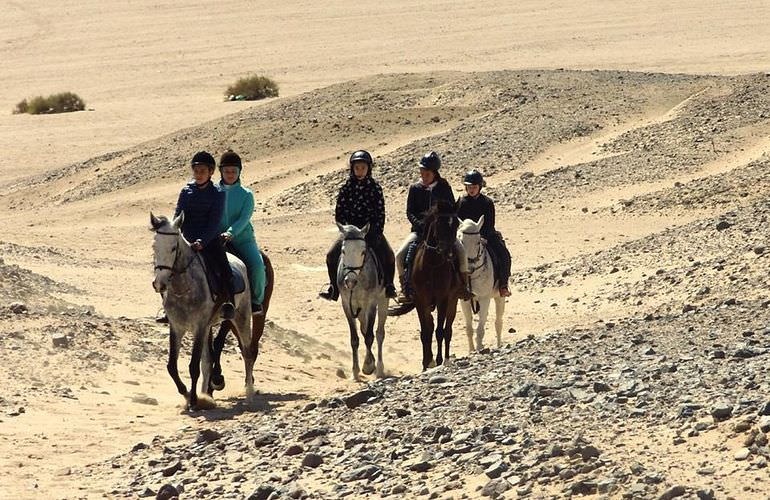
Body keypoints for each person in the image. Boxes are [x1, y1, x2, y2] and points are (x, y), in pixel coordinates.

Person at [319, 150, 397, 301]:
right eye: (357, 168)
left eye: (363, 168)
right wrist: (348, 230)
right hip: (350, 233)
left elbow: (380, 213)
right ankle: (333, 288)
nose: (360, 171)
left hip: (371, 231)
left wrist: (375, 232)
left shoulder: (375, 188)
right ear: (352, 169)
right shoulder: (346, 189)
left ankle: (389, 285)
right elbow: (340, 213)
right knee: (331, 255)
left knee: (388, 255)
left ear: (369, 168)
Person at [395, 151, 471, 303]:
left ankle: (464, 286)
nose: (424, 175)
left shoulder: (444, 187)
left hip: (443, 234)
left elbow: (451, 210)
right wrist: (419, 224)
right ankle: (405, 288)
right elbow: (410, 212)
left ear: (435, 173)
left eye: (427, 173)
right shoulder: (415, 188)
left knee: (461, 252)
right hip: (419, 232)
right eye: (422, 172)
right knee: (400, 255)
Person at [173, 151, 235, 319]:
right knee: (168, 268)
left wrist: (202, 241)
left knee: (225, 269)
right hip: (187, 239)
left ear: (211, 172)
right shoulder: (186, 191)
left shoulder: (218, 193)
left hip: (209, 240)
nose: (199, 174)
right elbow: (178, 215)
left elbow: (214, 221)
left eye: (202, 171)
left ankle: (228, 303)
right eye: (196, 171)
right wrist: (176, 233)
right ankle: (168, 307)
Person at [216, 150, 266, 315]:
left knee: (258, 266)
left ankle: (256, 302)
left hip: (242, 239)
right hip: (217, 239)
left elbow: (244, 218)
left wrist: (230, 233)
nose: (230, 175)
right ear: (221, 172)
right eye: (227, 171)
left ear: (239, 172)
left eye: (234, 171)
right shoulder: (213, 192)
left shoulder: (247, 194)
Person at [456, 169, 512, 297]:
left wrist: (481, 238)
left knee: (504, 255)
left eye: (474, 187)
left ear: (479, 187)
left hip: (486, 236)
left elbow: (489, 223)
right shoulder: (461, 203)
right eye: (469, 187)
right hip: (465, 237)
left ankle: (503, 285)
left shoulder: (487, 202)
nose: (471, 190)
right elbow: (458, 223)